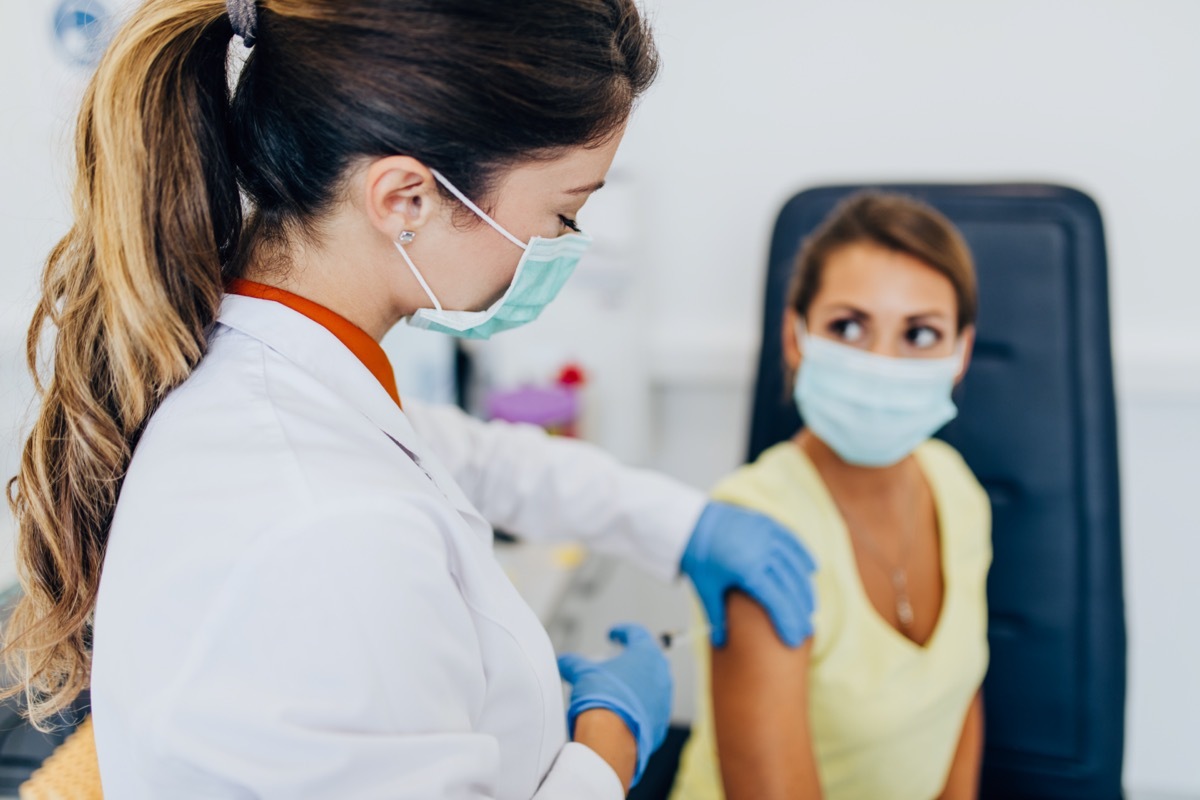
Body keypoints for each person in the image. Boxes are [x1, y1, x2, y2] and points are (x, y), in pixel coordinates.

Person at [0, 1, 817, 797]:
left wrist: (683, 526)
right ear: (406, 200)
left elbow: (461, 453)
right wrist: (606, 746)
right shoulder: (324, 521)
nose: (566, 245)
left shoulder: (276, 369)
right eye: (565, 211)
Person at [672, 193, 993, 800]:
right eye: (849, 327)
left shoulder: (955, 487)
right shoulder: (757, 532)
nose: (880, 363)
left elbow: (960, 699)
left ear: (960, 354)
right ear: (796, 338)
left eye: (920, 334)